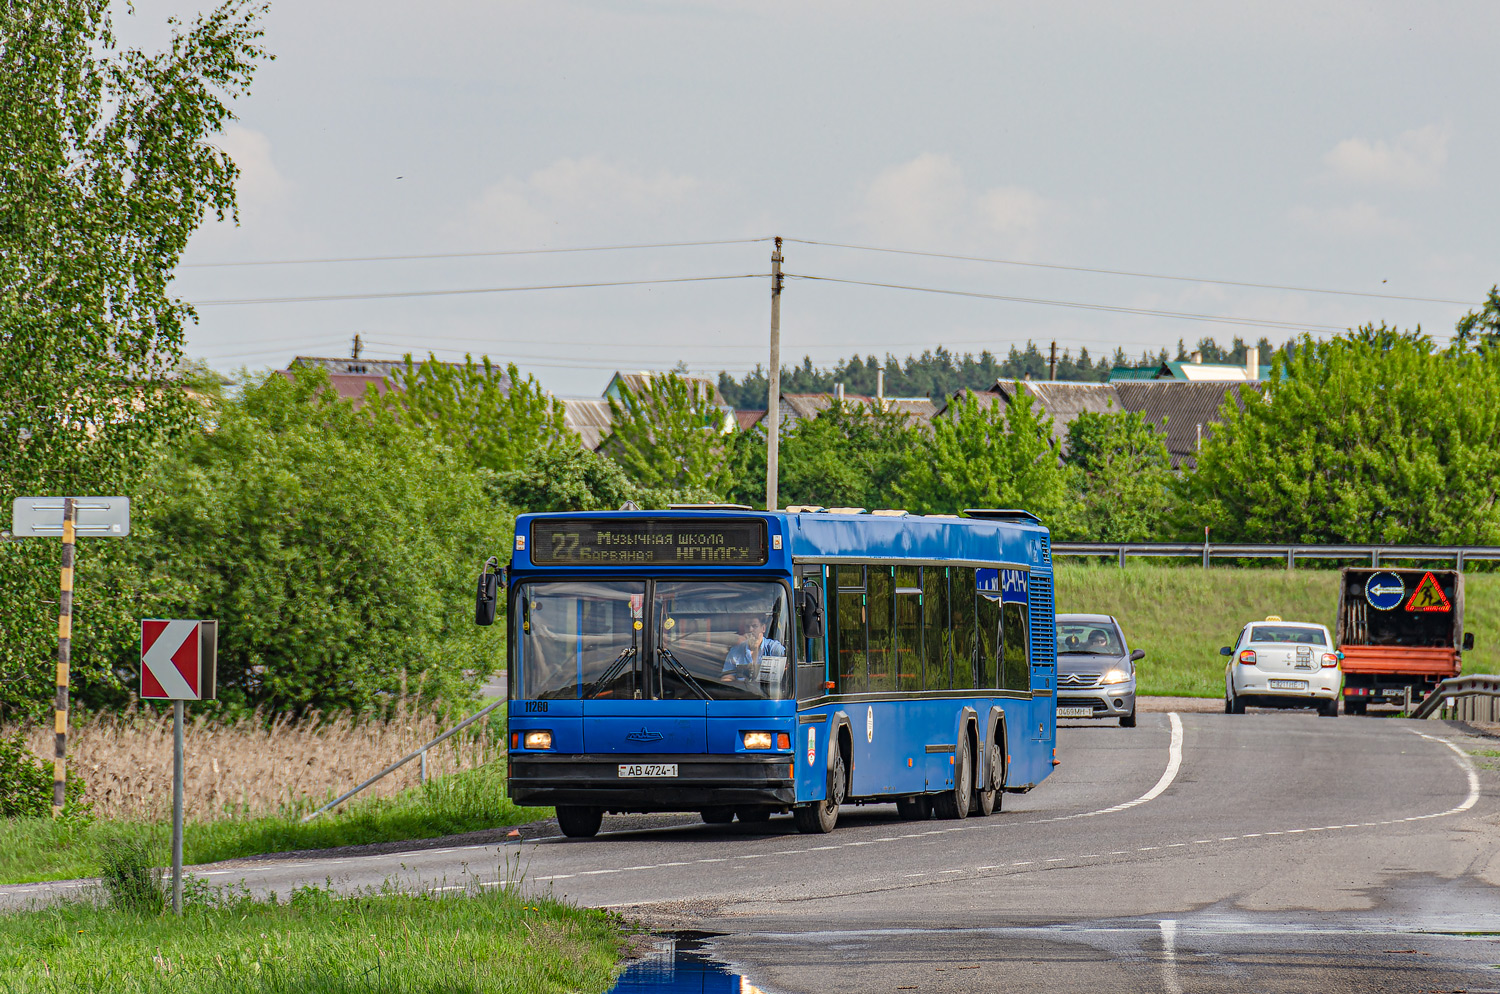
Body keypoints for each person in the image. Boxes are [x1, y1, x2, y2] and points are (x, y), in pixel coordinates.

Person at [721, 616, 785, 682]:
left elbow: (787, 660)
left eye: (754, 626)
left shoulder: (773, 648)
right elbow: (727, 677)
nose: (750, 630)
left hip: (766, 691)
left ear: (763, 628)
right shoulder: (735, 651)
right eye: (747, 626)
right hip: (740, 690)